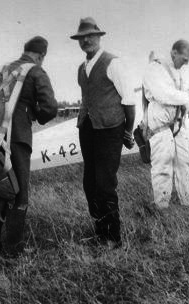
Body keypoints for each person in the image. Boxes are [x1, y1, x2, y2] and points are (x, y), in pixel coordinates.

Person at [0, 36, 59, 256]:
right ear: (42, 55)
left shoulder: (2, 70)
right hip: (17, 141)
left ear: (25, 51)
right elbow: (50, 108)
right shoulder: (36, 71)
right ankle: (13, 249)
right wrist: (32, 115)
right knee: (19, 194)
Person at [70, 17, 136, 249]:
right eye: (81, 37)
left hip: (110, 129)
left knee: (105, 183)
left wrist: (127, 131)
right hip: (88, 129)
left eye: (90, 35)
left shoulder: (112, 63)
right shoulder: (82, 68)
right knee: (90, 182)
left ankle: (113, 237)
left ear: (99, 37)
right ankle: (100, 230)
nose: (86, 40)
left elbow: (128, 100)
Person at [142, 40, 189, 209]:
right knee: (162, 166)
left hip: (178, 126)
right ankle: (162, 206)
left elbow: (177, 96)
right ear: (174, 52)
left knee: (184, 164)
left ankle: (187, 201)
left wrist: (187, 104)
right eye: (184, 59)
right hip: (161, 127)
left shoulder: (177, 72)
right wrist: (187, 97)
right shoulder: (154, 69)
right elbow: (163, 95)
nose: (186, 63)